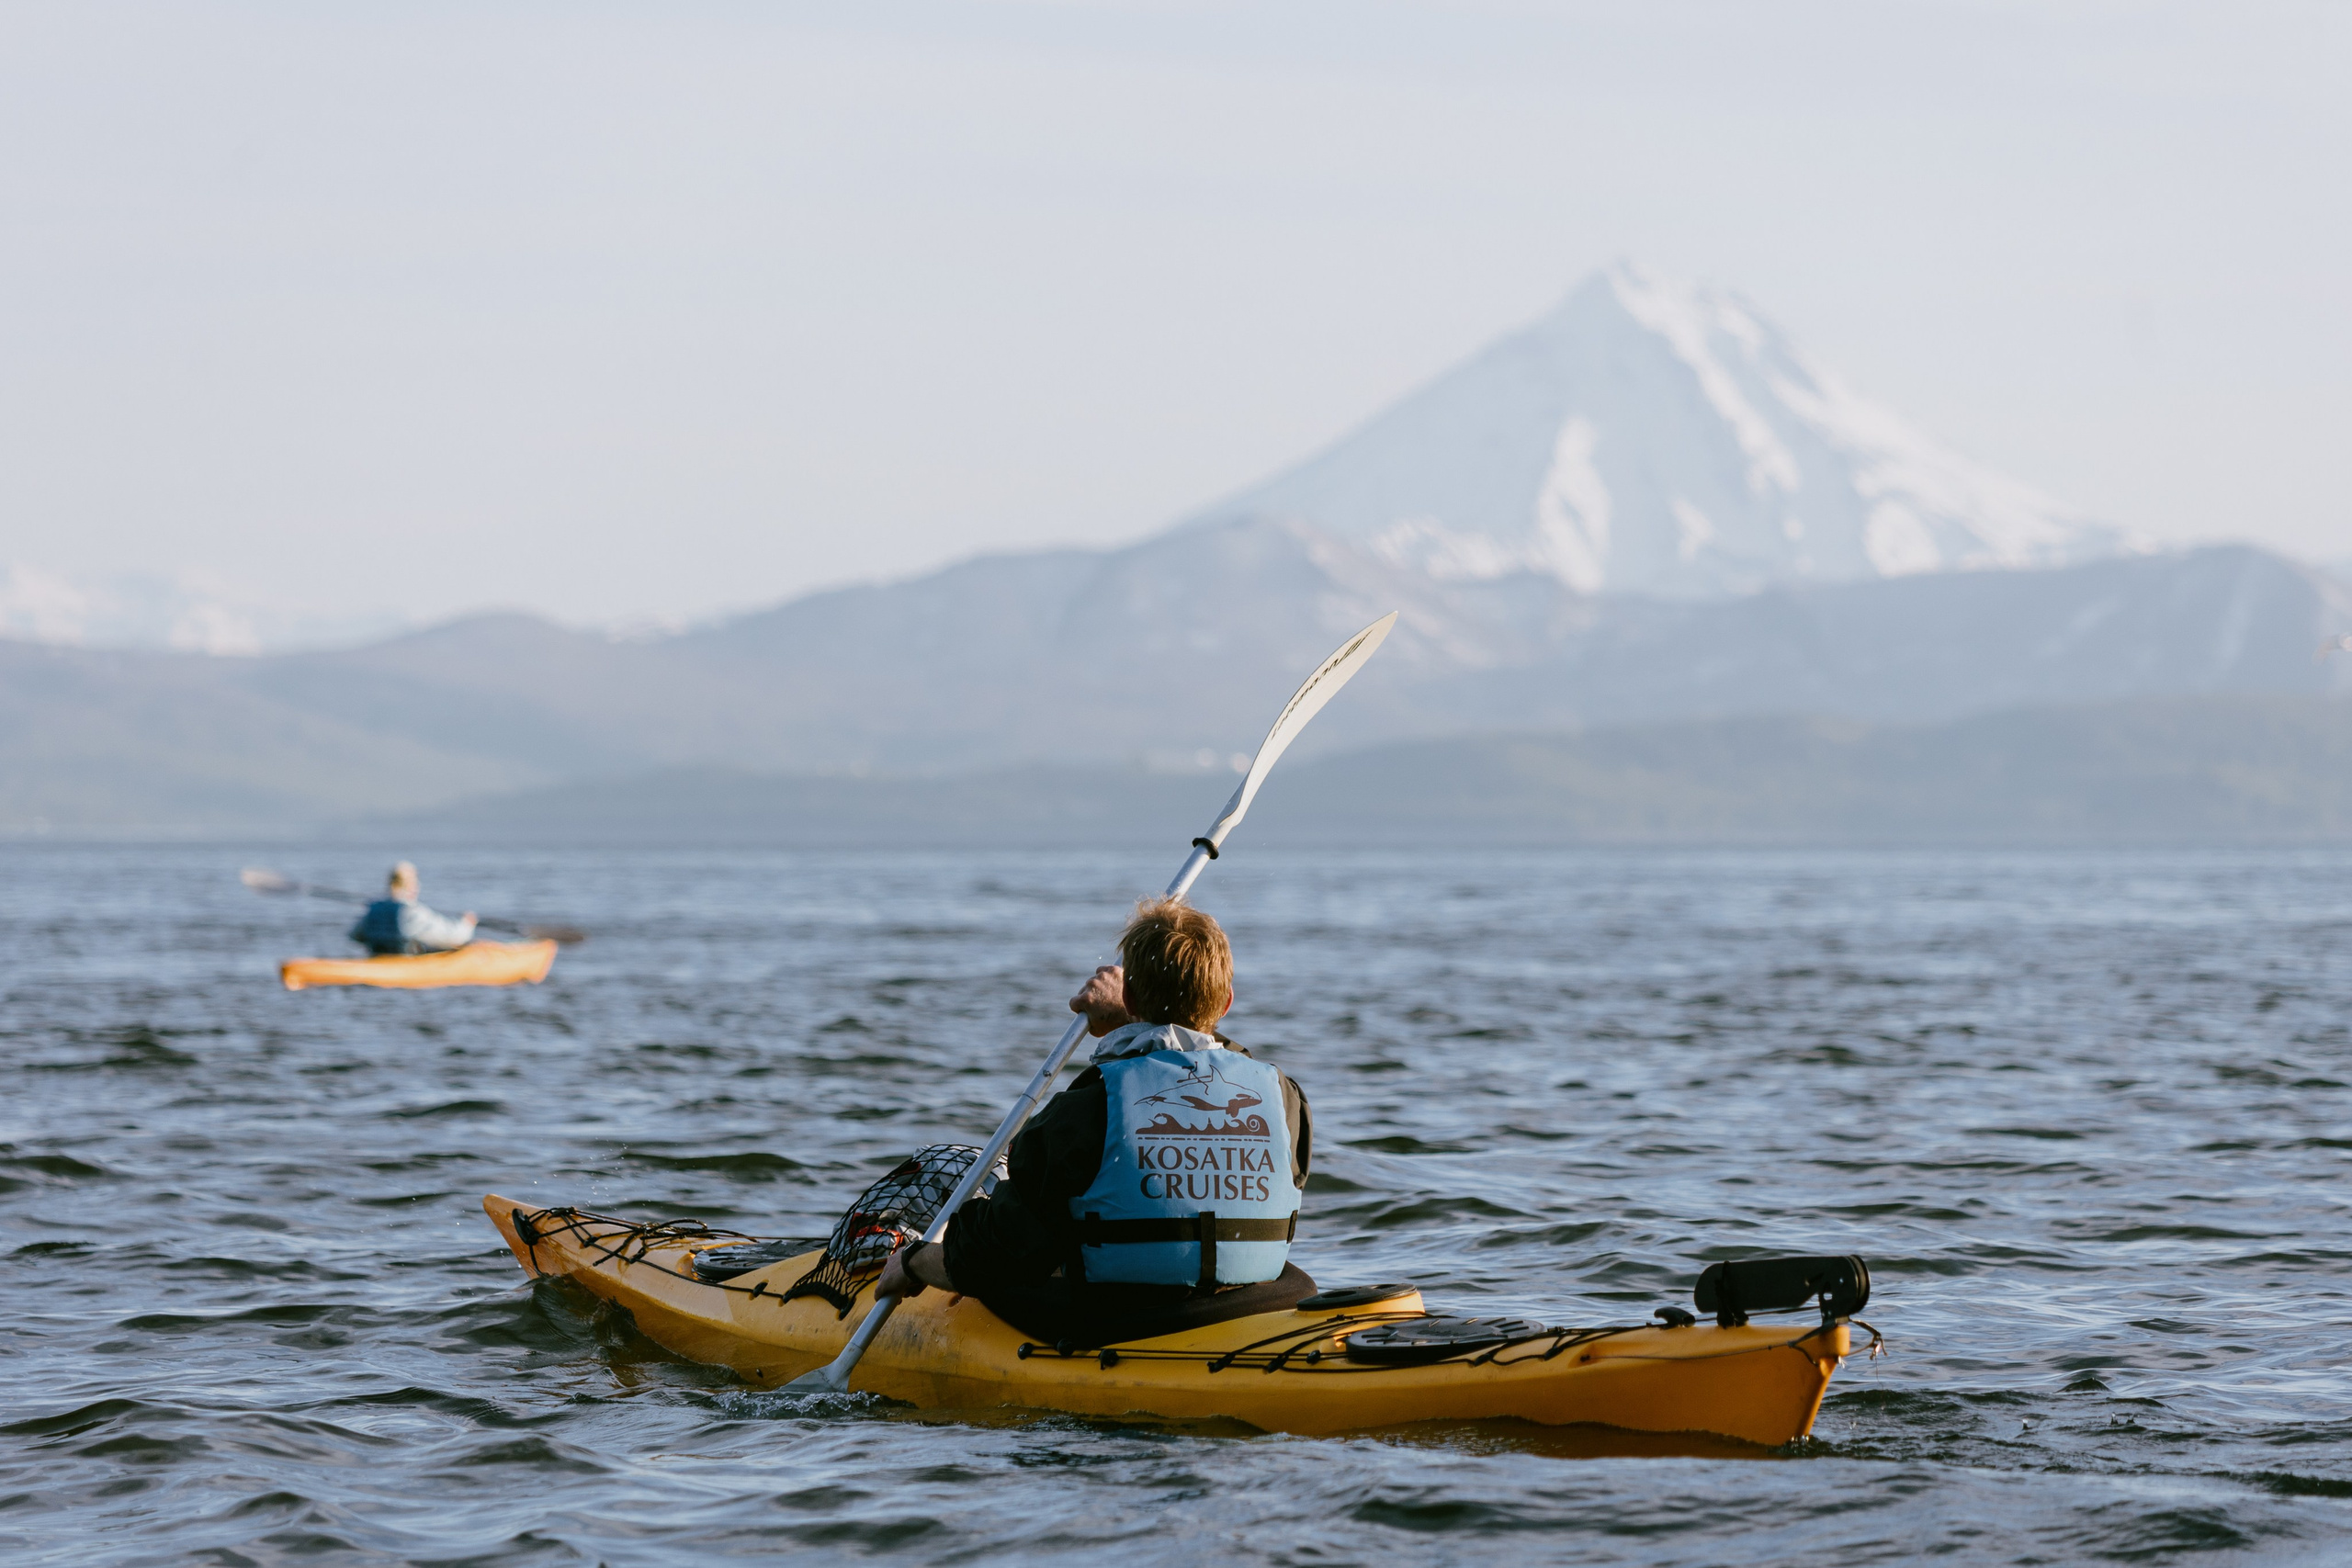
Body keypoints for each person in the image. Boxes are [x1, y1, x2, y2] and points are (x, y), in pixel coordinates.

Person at [874, 897, 1314, 1344]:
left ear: (1129, 997)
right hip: (1248, 1302)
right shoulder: (1284, 1097)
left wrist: (913, 1262)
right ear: (1227, 1002)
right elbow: (1210, 1062)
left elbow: (997, 1254)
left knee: (1012, 1263)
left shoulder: (1084, 1109)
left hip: (1125, 1319)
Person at [348, 862, 478, 956]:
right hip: (402, 966)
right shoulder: (410, 912)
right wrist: (467, 924)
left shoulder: (374, 909)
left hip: (376, 960)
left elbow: (354, 935)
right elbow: (453, 937)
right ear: (411, 886)